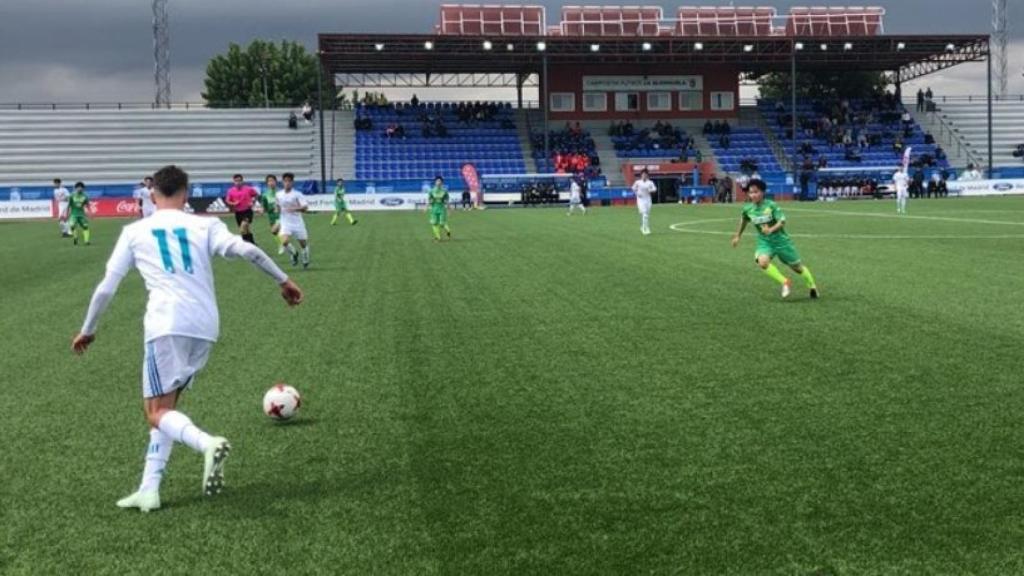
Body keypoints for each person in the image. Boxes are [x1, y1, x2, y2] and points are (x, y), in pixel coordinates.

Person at [71, 164, 303, 513]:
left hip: (166, 324)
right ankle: (149, 489)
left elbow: (106, 288)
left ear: (152, 194)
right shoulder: (205, 225)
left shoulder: (135, 231)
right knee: (167, 410)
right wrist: (283, 280)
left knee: (155, 412)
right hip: (205, 326)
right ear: (186, 193)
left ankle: (207, 443)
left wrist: (88, 329)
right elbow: (249, 251)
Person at [731, 179, 818, 299]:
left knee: (797, 268)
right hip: (765, 242)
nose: (753, 195)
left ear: (762, 192)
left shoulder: (771, 205)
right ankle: (785, 282)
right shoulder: (748, 209)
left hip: (781, 241)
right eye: (751, 193)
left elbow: (782, 221)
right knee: (762, 262)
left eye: (756, 192)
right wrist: (738, 236)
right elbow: (744, 220)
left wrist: (770, 230)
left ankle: (812, 286)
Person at [276, 173, 311, 268]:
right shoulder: (278, 194)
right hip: (285, 222)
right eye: (285, 181)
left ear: (292, 182)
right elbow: (278, 207)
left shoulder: (297, 194)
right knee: (284, 241)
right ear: (282, 182)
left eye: (289, 181)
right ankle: (294, 253)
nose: (287, 183)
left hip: (297, 222)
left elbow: (305, 207)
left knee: (303, 244)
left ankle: (305, 257)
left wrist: (294, 209)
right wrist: (276, 210)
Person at [225, 174, 259, 244]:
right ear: (234, 182)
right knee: (247, 229)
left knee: (243, 228)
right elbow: (227, 201)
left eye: (239, 181)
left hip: (247, 211)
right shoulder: (230, 191)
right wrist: (233, 203)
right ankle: (252, 243)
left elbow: (256, 195)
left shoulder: (248, 189)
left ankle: (245, 244)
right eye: (236, 181)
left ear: (242, 181)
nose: (238, 182)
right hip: (238, 213)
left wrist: (253, 202)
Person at [260, 175, 284, 254]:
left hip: (281, 216)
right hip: (271, 217)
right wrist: (262, 210)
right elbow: (264, 207)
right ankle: (282, 244)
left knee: (275, 230)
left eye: (272, 181)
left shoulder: (281, 192)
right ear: (267, 183)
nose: (271, 183)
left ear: (276, 182)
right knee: (274, 232)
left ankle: (284, 245)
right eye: (269, 181)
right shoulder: (265, 194)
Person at [632, 169, 656, 236]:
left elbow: (654, 189)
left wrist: (650, 190)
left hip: (648, 199)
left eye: (645, 174)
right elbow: (633, 188)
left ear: (647, 175)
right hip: (640, 200)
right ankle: (645, 229)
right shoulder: (638, 182)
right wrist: (637, 193)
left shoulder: (650, 182)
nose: (644, 176)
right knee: (644, 214)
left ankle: (643, 226)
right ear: (641, 175)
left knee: (647, 214)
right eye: (643, 174)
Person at [427, 176, 452, 241]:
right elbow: (429, 199)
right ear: (435, 182)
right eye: (437, 181)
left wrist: (449, 210)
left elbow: (447, 201)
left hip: (442, 208)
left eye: (440, 181)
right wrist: (426, 206)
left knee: (441, 224)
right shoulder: (431, 191)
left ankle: (448, 231)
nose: (439, 182)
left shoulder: (444, 191)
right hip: (434, 209)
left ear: (442, 182)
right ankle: (438, 237)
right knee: (434, 223)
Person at [68, 182, 91, 246]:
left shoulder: (85, 196)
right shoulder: (72, 195)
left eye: (81, 187)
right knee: (72, 225)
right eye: (78, 187)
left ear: (83, 188)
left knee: (85, 226)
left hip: (82, 215)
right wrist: (67, 214)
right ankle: (75, 238)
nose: (80, 188)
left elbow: (88, 205)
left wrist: (90, 213)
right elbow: (68, 205)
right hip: (73, 215)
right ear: (76, 188)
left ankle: (87, 241)